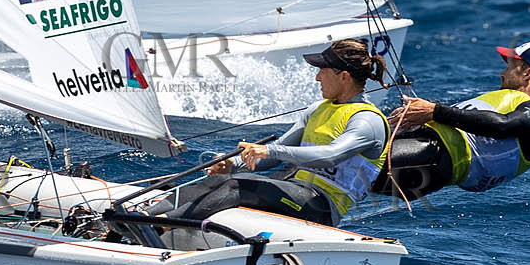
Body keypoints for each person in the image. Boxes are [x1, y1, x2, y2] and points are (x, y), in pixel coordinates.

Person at [145, 38, 391, 229]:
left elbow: (330, 155)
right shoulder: (318, 109)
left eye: (322, 71)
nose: (317, 77)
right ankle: (144, 215)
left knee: (239, 187)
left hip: (322, 207)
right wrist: (232, 163)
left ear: (344, 76)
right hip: (293, 190)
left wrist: (269, 149)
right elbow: (272, 159)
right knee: (220, 180)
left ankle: (161, 226)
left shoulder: (366, 120)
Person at [373, 41, 530, 201]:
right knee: (349, 177)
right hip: (426, 158)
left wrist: (434, 111)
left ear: (528, 73)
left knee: (355, 166)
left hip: (429, 156)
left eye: (509, 68)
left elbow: (503, 125)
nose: (502, 74)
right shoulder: (507, 101)